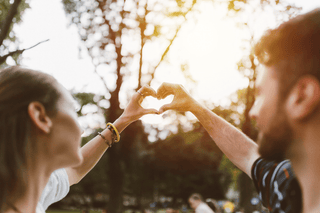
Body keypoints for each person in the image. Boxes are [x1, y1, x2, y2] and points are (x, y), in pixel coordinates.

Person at [156, 8, 320, 213]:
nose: (253, 112)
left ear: (302, 96)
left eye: (260, 95)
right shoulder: (285, 184)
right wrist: (194, 107)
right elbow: (247, 154)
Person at [0, 66, 159, 213]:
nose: (81, 129)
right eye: (73, 110)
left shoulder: (29, 186)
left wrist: (124, 119)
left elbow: (76, 169)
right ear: (41, 117)